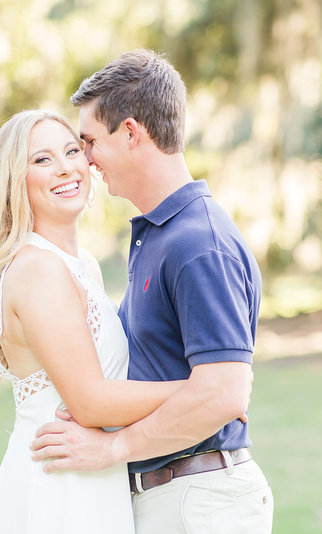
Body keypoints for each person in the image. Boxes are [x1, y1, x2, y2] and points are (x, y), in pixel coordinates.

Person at [30, 50, 274, 534]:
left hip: (199, 503)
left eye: (90, 142)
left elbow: (224, 393)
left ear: (130, 132)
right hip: (171, 499)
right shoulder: (160, 234)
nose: (86, 160)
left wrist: (112, 448)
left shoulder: (198, 243)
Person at [0, 109, 186, 534]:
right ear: (15, 182)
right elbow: (91, 401)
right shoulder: (38, 268)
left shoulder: (82, 264)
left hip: (94, 478)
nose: (66, 167)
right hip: (56, 489)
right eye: (42, 159)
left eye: (72, 151)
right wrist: (202, 390)